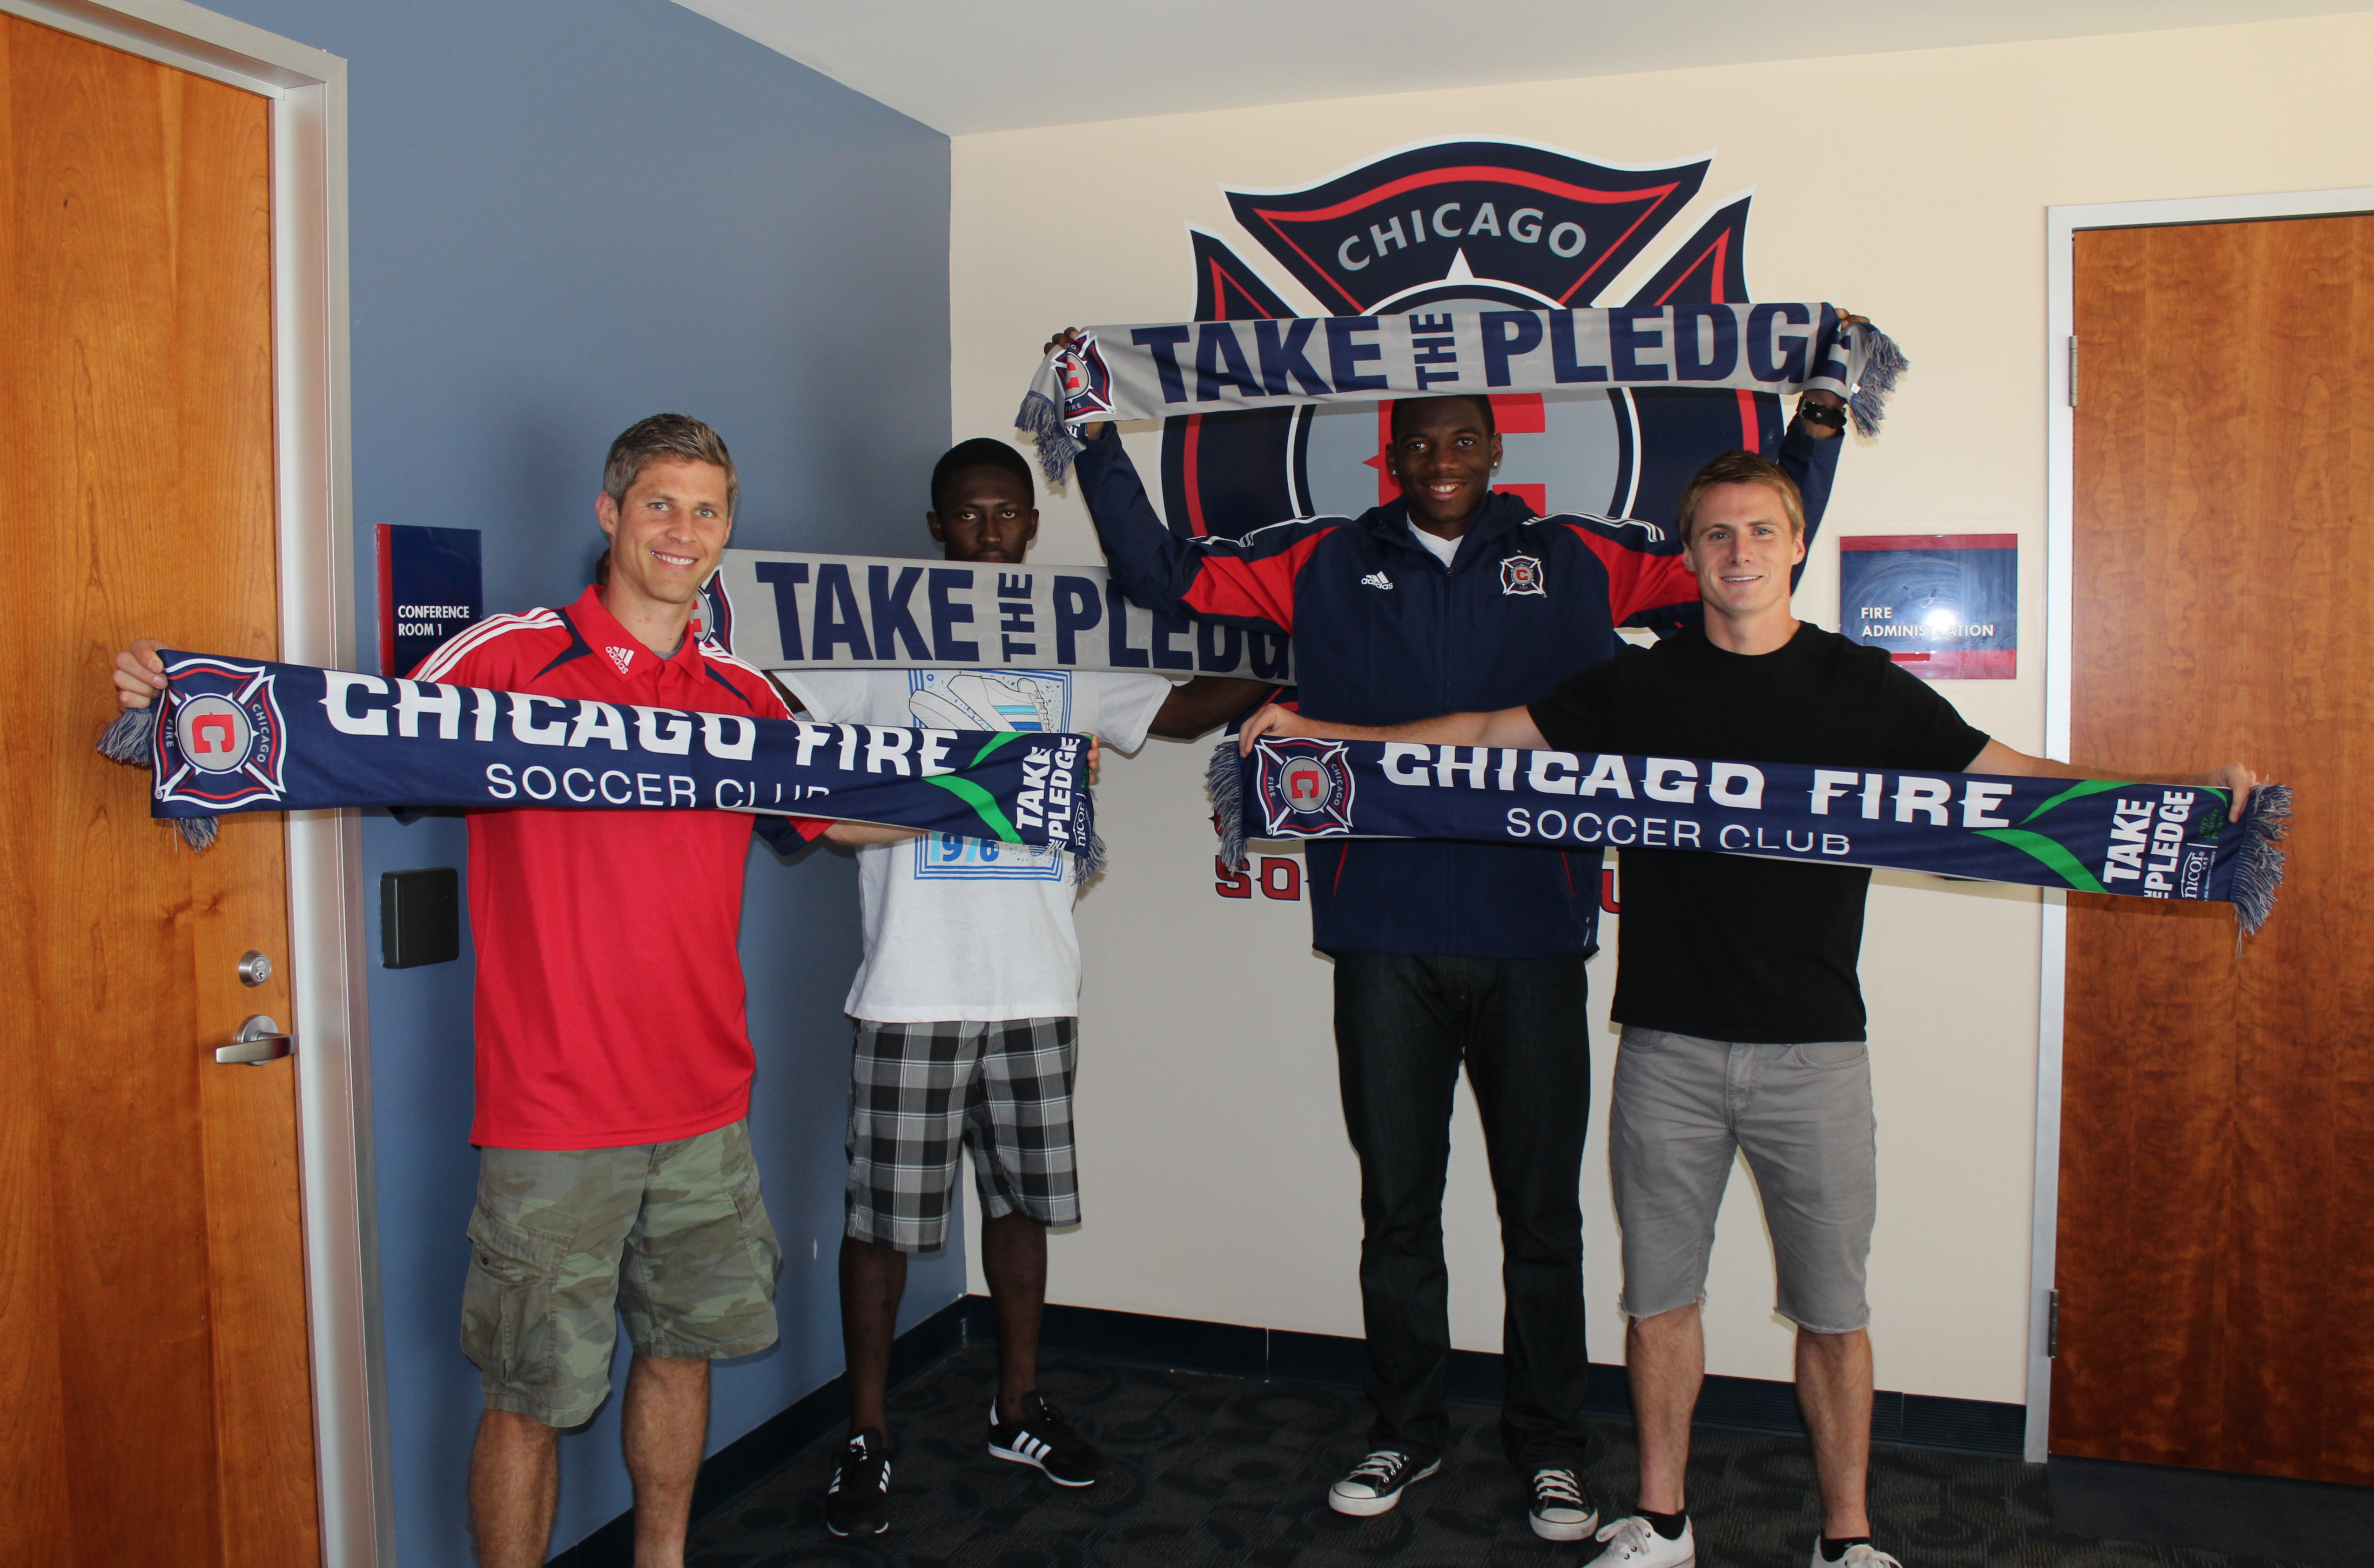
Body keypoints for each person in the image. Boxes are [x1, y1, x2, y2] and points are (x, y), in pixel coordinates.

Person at [1242, 449, 2261, 1568]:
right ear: (1690, 558)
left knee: (1833, 1314)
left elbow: (2006, 781)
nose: (1739, 554)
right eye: (1717, 536)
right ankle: (1665, 1520)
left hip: (1816, 1054)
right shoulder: (1640, 682)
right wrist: (1334, 745)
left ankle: (1847, 1539)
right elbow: (1490, 736)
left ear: (1796, 547)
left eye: (1761, 533)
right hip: (1667, 1048)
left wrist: (2187, 811)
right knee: (1659, 1301)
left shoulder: (1857, 685)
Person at [1050, 325, 1850, 1541]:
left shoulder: (1574, 553)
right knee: (1398, 1204)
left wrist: (1818, 424)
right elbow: (1163, 575)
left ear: (1494, 449)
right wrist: (1098, 435)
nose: (1440, 459)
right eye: (1420, 441)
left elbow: (1729, 558)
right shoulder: (1321, 556)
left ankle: (1551, 1447)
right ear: (1391, 452)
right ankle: (1403, 1431)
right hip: (1382, 934)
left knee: (1545, 1216)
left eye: (1462, 439)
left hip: (1537, 935)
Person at [114, 414, 844, 1568]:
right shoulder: (510, 656)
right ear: (609, 515)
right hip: (554, 1115)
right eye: (660, 503)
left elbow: (844, 809)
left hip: (707, 1106)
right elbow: (359, 730)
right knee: (530, 1394)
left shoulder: (745, 694)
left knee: (681, 1353)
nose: (684, 530)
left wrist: (1027, 781)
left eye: (708, 510)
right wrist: (189, 698)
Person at [782, 436, 1270, 1539]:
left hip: (1036, 981)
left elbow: (1184, 711)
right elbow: (765, 697)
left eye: (1008, 514)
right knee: (885, 1225)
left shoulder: (1069, 647)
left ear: (1032, 529)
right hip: (908, 985)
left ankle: (1018, 1405)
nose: (990, 531)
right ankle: (868, 1428)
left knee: (1022, 1207)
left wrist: (1308, 654)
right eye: (969, 515)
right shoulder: (870, 645)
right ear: (936, 528)